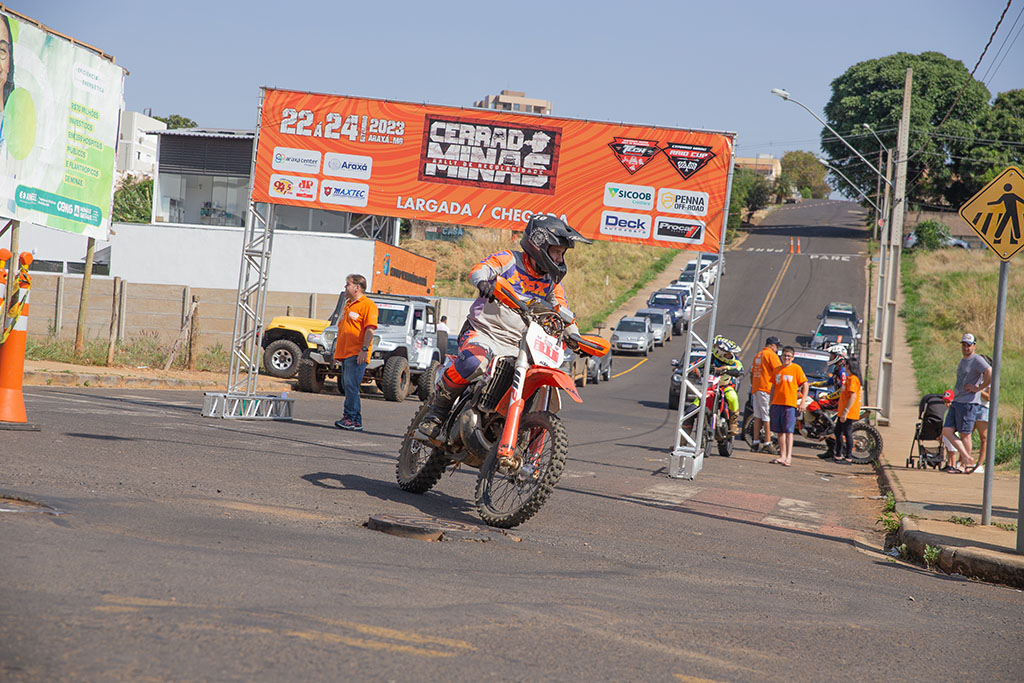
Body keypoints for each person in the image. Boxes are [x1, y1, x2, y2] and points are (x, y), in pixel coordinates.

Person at [417, 215, 590, 440]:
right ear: (540, 244)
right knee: (475, 362)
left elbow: (563, 312)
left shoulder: (551, 282)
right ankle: (437, 413)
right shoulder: (509, 260)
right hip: (483, 333)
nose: (559, 259)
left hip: (520, 346)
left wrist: (576, 338)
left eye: (562, 253)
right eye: (556, 251)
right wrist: (483, 282)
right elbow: (480, 269)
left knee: (531, 381)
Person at [333, 274, 378, 432]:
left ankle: (350, 418)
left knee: (351, 386)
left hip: (356, 353)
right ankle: (355, 420)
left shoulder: (368, 305)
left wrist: (364, 350)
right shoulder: (348, 305)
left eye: (348, 284)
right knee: (348, 386)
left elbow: (370, 330)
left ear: (357, 287)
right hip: (346, 353)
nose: (345, 287)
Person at [942, 333, 991, 474]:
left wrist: (978, 388)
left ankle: (965, 465)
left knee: (965, 434)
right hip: (957, 400)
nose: (966, 348)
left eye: (968, 345)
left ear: (974, 346)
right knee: (947, 430)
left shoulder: (977, 360)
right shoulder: (963, 360)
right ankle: (967, 458)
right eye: (964, 345)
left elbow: (989, 372)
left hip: (968, 403)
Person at [768, 345, 808, 467]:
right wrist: (771, 401)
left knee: (789, 431)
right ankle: (782, 455)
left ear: (793, 358)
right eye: (785, 356)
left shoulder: (796, 369)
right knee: (779, 431)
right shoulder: (777, 370)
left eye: (789, 356)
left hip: (790, 404)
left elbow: (805, 384)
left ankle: (789, 457)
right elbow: (773, 386)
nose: (786, 358)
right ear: (781, 356)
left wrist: (802, 401)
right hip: (777, 404)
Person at [749, 335, 781, 452]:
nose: (777, 350)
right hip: (766, 388)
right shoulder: (771, 355)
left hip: (756, 387)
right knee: (767, 416)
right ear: (772, 346)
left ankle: (755, 442)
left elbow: (752, 373)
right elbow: (779, 371)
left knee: (758, 416)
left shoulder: (758, 355)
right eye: (776, 347)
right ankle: (767, 442)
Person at [708, 336, 744, 435]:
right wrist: (693, 369)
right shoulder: (709, 358)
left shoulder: (734, 360)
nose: (731, 355)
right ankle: (683, 439)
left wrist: (726, 368)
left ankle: (733, 423)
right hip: (709, 387)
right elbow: (694, 364)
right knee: (693, 407)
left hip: (725, 386)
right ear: (720, 352)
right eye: (728, 354)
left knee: (733, 397)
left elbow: (740, 368)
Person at [832, 357, 863, 462]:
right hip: (843, 410)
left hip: (848, 411)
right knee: (838, 431)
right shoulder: (850, 378)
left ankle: (848, 456)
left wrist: (846, 412)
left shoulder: (853, 379)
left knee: (847, 433)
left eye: (845, 365)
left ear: (848, 366)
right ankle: (838, 454)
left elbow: (852, 396)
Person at [971, 354, 993, 474]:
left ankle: (980, 464)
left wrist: (977, 389)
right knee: (966, 434)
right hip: (971, 406)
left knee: (983, 437)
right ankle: (963, 460)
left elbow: (988, 397)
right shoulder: (974, 376)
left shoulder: (989, 379)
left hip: (982, 408)